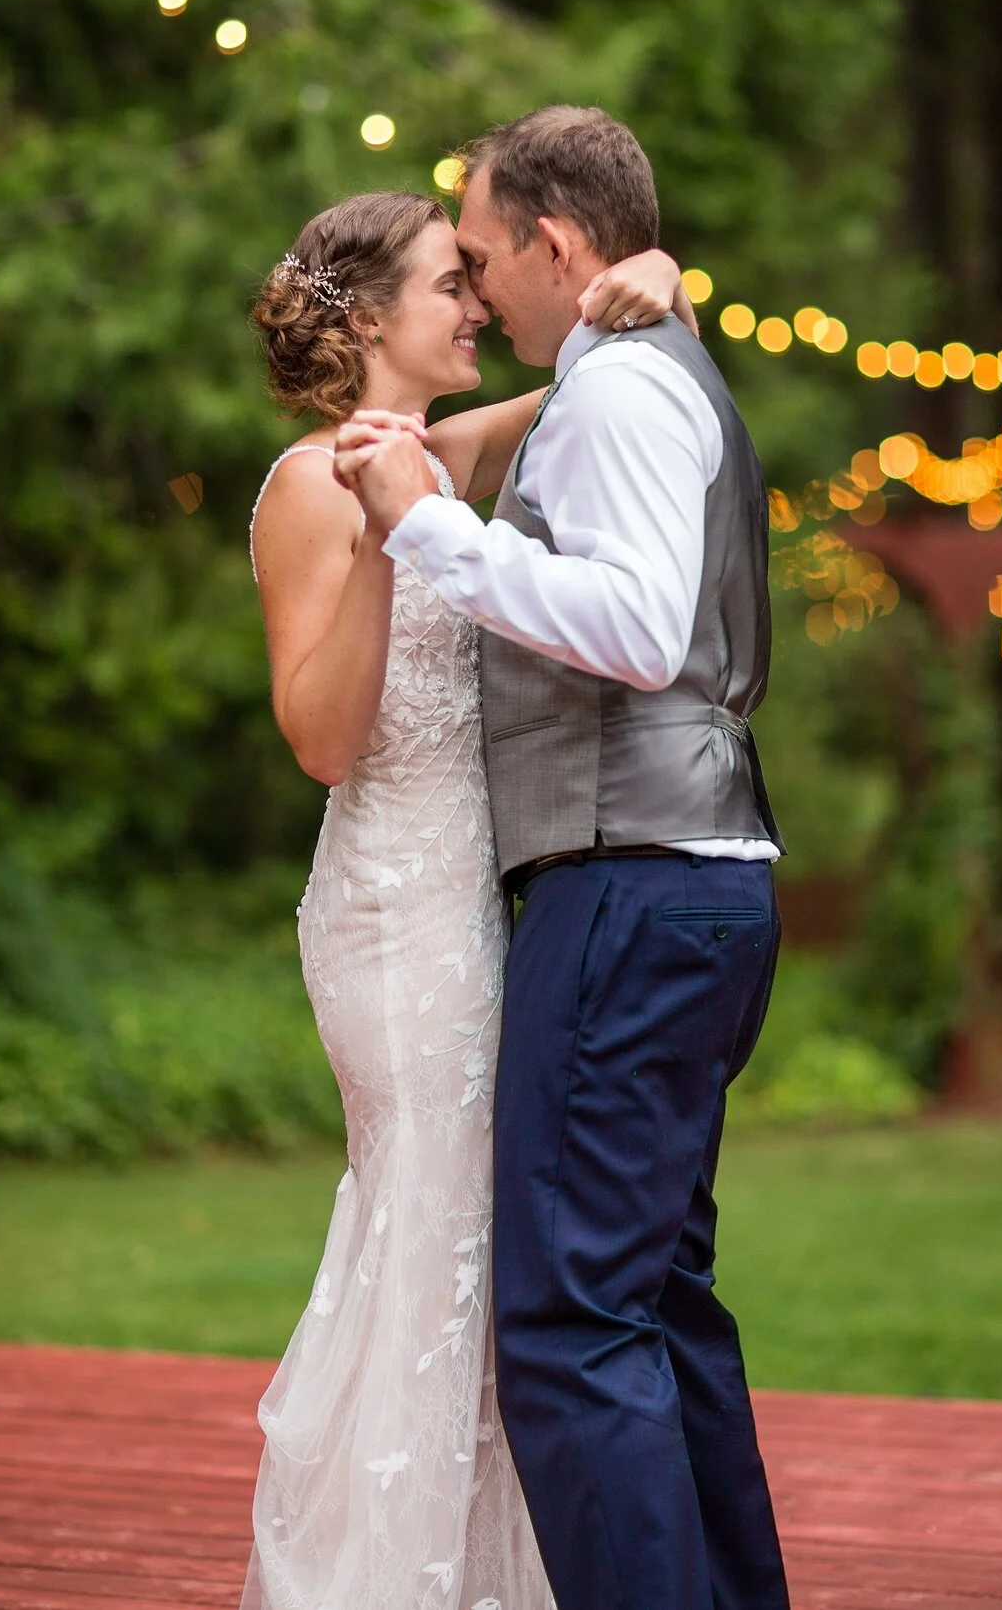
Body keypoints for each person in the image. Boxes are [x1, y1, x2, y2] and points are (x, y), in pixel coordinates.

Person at [336, 106, 789, 1610]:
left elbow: (641, 629)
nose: (476, 288)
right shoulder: (630, 369)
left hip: (630, 879)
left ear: (555, 241)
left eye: (481, 256)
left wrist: (428, 532)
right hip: (690, 874)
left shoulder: (619, 394)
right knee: (652, 1302)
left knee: (571, 1325)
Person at [241, 183, 696, 1608]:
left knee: (479, 1243)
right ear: (373, 314)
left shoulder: (435, 452)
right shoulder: (311, 486)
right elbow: (322, 740)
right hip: (392, 915)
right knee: (427, 1228)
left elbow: (585, 391)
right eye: (452, 281)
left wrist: (658, 274)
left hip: (480, 910)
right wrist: (387, 536)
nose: (480, 303)